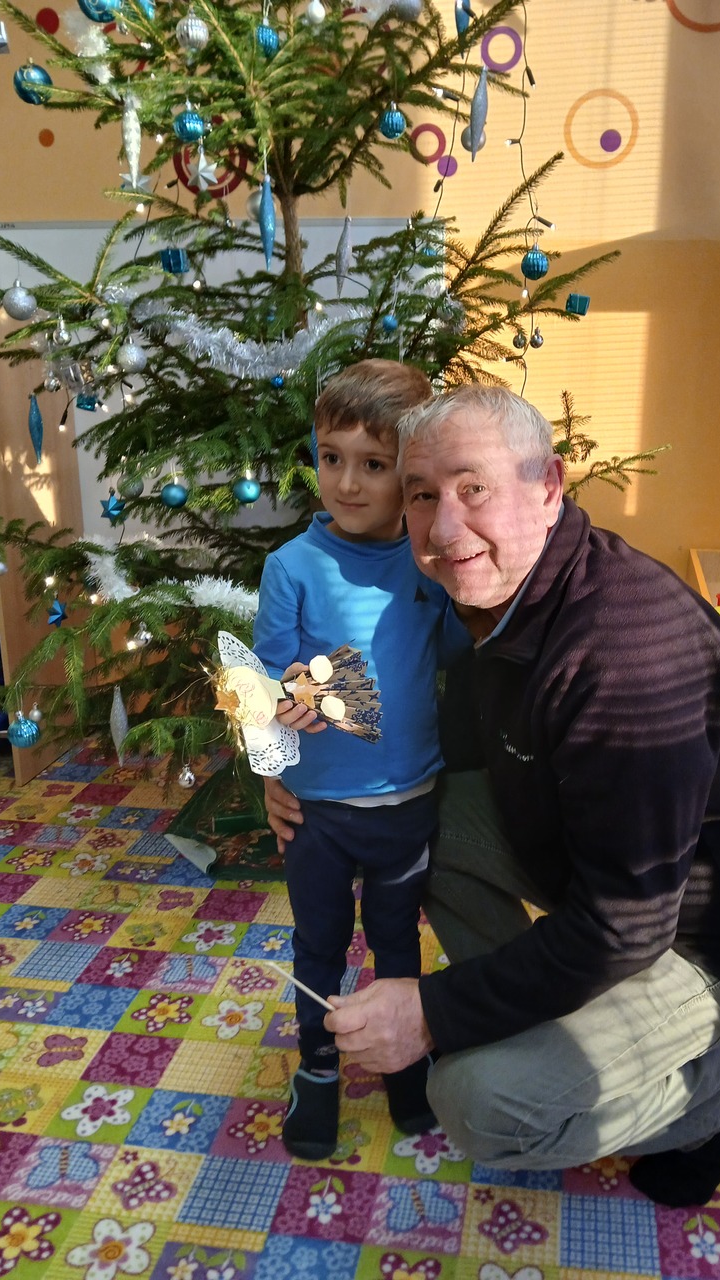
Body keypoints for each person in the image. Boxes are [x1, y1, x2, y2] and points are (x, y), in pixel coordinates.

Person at [264, 384, 720, 1207]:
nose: (445, 528)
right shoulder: (490, 597)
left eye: (474, 487)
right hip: (598, 870)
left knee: (480, 1101)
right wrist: (281, 770)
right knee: (429, 823)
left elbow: (628, 921)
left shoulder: (624, 656)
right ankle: (542, 1024)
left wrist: (434, 1012)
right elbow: (420, 739)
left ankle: (713, 1090)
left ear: (549, 485)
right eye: (422, 495)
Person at [254, 359, 469, 1161]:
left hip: (408, 803)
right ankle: (317, 1067)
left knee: (396, 941)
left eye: (373, 464)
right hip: (317, 812)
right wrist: (270, 771)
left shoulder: (428, 561)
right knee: (318, 944)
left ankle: (402, 1058)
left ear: (410, 473)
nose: (346, 482)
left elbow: (460, 655)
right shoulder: (291, 567)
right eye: (330, 457)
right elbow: (265, 685)